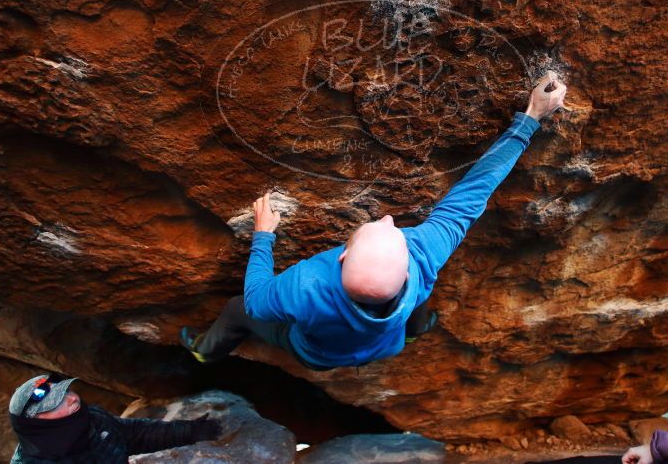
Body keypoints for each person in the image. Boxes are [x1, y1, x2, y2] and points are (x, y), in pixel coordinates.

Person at [180, 72, 568, 370]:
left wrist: (263, 236)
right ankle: (414, 331)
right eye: (392, 230)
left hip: (315, 354)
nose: (387, 218)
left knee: (235, 309)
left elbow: (255, 301)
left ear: (342, 258)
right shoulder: (421, 257)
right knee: (424, 287)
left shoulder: (306, 287)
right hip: (386, 343)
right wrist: (532, 116)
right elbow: (475, 191)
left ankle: (204, 353)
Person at [8, 374, 222, 463]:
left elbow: (134, 434)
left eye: (66, 392)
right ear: (37, 423)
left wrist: (191, 431)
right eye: (57, 403)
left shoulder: (91, 419)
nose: (73, 399)